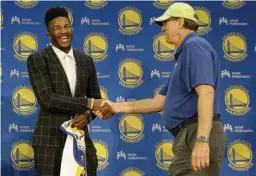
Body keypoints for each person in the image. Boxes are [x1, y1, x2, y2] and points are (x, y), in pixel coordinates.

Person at [95, 2, 226, 176]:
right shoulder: (184, 56)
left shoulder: (194, 45)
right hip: (188, 135)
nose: (162, 28)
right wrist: (115, 106)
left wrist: (202, 140)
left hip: (196, 133)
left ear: (180, 22)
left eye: (165, 22)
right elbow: (157, 102)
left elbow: (207, 92)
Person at [27, 6, 114, 176]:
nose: (63, 31)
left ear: (72, 29)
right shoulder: (37, 59)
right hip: (49, 143)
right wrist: (88, 103)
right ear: (48, 34)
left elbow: (95, 98)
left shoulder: (86, 61)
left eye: (67, 26)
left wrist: (87, 116)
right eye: (56, 28)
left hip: (80, 141)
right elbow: (47, 98)